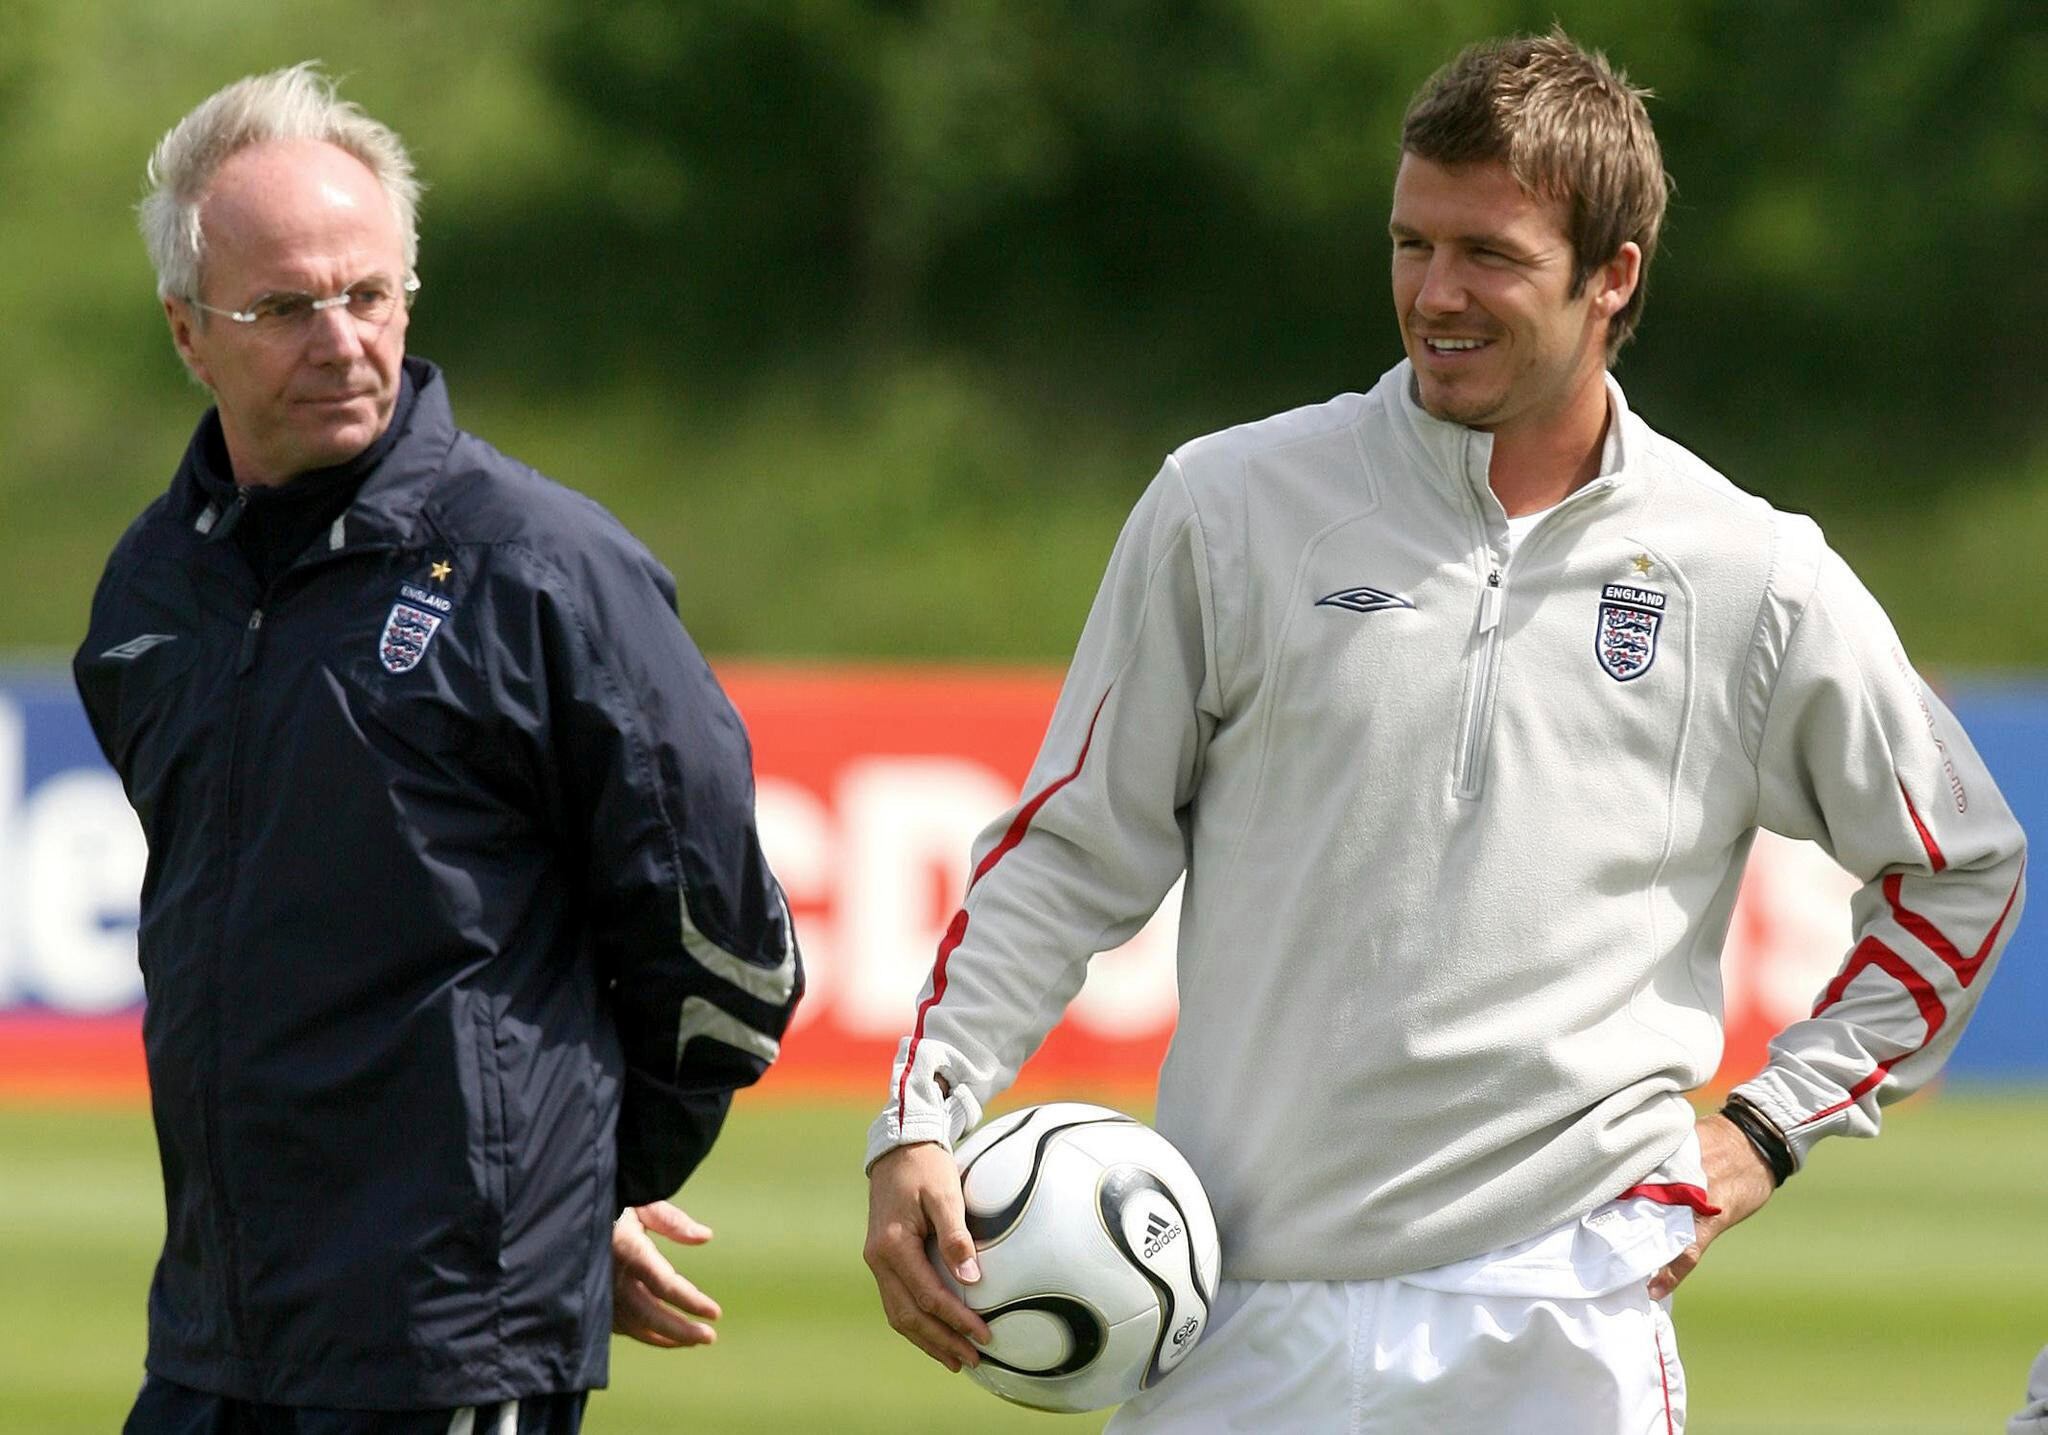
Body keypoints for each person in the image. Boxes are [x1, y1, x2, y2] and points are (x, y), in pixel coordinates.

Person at [862, 29, 2025, 1433]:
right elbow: (1067, 853)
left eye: (1491, 254)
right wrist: (925, 1109)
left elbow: (1964, 863)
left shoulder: (1752, 572)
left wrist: (1770, 1129)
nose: (1436, 294)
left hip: (1562, 1315)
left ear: (1614, 278)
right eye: (1413, 243)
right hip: (1245, 1315)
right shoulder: (1225, 506)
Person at [74, 64, 801, 1434]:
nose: (342, 339)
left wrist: (578, 1189)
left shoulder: (545, 570)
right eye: (285, 307)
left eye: (371, 294)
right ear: (189, 331)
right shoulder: (149, 592)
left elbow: (724, 952)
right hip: (218, 1330)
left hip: (448, 1346)